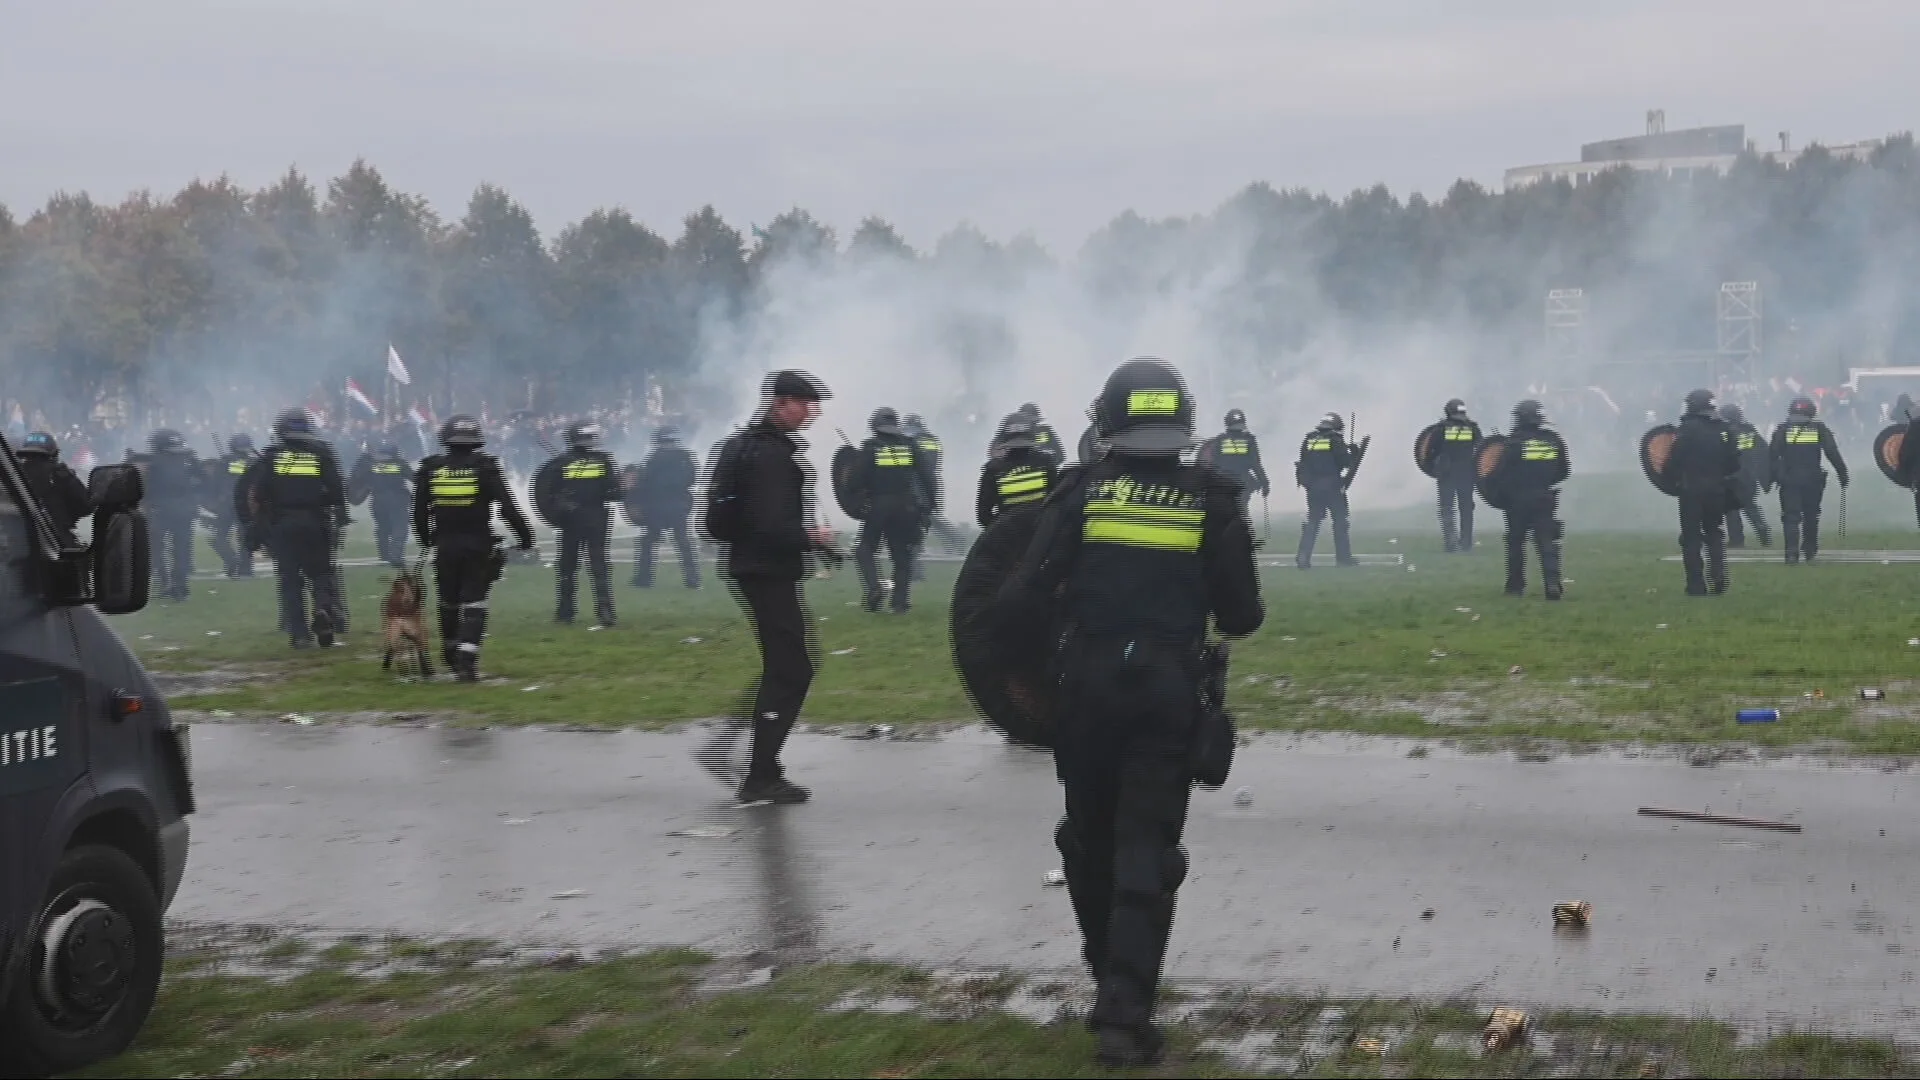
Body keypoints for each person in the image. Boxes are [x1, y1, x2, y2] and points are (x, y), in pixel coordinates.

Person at [1000, 357, 1262, 1066]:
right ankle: (1123, 1012)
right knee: (1147, 848)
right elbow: (1242, 616)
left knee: (1086, 839)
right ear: (1182, 423)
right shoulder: (1214, 498)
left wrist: (1027, 684)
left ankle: (1105, 971)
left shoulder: (1079, 491)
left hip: (1084, 692)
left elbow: (1019, 598)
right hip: (1167, 696)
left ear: (1106, 421)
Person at [706, 369, 836, 805]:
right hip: (767, 569)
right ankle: (758, 772)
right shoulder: (772, 456)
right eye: (804, 403)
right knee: (792, 669)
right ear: (780, 403)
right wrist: (812, 539)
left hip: (753, 566)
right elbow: (771, 524)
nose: (810, 412)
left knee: (788, 665)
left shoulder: (744, 446)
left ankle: (751, 758)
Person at [414, 416, 535, 681]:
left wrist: (426, 538)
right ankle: (467, 660)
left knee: (448, 601)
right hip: (478, 544)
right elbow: (507, 505)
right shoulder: (485, 467)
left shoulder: (431, 468)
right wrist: (525, 537)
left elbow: (419, 511)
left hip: (445, 544)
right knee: (475, 602)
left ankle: (450, 652)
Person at [247, 409, 349, 648]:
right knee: (321, 573)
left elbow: (259, 493)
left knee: (290, 581)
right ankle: (323, 609)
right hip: (316, 521)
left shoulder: (271, 457)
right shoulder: (321, 454)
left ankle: (300, 635)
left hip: (283, 524)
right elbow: (336, 490)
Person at [535, 421, 622, 627]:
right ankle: (606, 612)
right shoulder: (604, 461)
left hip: (570, 521)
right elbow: (614, 492)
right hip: (597, 518)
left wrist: (562, 506)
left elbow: (547, 493)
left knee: (567, 567)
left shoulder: (560, 462)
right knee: (599, 567)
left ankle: (565, 613)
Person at [852, 407, 935, 613]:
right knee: (901, 555)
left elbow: (855, 481)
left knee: (865, 549)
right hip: (907, 506)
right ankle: (899, 603)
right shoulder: (910, 445)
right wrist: (929, 507)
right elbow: (927, 478)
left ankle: (874, 588)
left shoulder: (871, 447)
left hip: (879, 506)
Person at [1490, 400, 1570, 599]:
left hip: (1517, 500)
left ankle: (1515, 586)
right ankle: (1552, 584)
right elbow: (1563, 471)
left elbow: (1498, 473)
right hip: (1544, 497)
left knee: (1516, 543)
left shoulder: (1513, 443)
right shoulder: (1553, 441)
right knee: (1547, 543)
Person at [1668, 389, 1741, 596]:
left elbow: (1675, 459)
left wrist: (1672, 480)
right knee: (1715, 533)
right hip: (1717, 489)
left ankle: (1696, 584)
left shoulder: (1687, 428)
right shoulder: (1724, 428)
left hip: (1691, 489)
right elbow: (1734, 461)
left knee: (1691, 537)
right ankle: (1718, 576)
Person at [1769, 396, 1849, 564]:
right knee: (1811, 515)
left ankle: (1791, 553)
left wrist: (1771, 478)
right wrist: (1842, 473)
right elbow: (1832, 452)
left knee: (1791, 516)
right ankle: (1810, 550)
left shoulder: (1783, 430)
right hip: (1813, 479)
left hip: (1789, 480)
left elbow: (1771, 456)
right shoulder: (1819, 429)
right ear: (1812, 412)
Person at [628, 426, 701, 589]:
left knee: (649, 542)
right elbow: (691, 479)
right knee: (683, 542)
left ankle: (644, 579)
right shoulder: (686, 457)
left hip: (657, 505)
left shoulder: (653, 459)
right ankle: (693, 579)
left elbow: (644, 483)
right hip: (679, 504)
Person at [141, 429, 202, 601]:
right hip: (185, 511)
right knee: (182, 550)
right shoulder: (189, 460)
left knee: (156, 549)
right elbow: (201, 482)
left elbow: (145, 488)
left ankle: (165, 582)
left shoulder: (152, 462)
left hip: (160, 511)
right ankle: (180, 587)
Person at [1294, 413, 1357, 568]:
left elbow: (1303, 461)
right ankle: (1343, 559)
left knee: (1313, 521)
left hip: (1313, 487)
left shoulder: (1309, 438)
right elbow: (1344, 462)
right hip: (1332, 487)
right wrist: (1354, 453)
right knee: (1340, 522)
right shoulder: (1335, 439)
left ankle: (1303, 557)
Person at [975, 416, 1058, 527]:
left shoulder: (994, 470)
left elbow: (983, 515)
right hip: (1042, 534)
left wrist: (1003, 531)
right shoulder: (1045, 462)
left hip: (1009, 536)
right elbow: (1057, 501)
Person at [1423, 399, 1482, 553]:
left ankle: (1451, 544)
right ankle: (1466, 543)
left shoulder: (1441, 429)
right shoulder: (1472, 428)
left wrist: (1433, 467)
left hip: (1446, 473)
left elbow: (1429, 451)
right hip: (1467, 473)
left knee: (1447, 508)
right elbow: (1482, 450)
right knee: (1466, 508)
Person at [350, 438, 413, 569]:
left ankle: (384, 556)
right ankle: (395, 557)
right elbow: (415, 477)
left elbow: (356, 477)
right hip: (397, 499)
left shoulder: (371, 465)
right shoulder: (399, 463)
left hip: (378, 501)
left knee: (383, 528)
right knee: (400, 528)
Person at [16, 431, 90, 541]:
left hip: (20, 539)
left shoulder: (14, 475)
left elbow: (85, 507)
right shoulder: (61, 475)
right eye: (31, 457)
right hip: (56, 540)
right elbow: (85, 508)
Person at [1196, 409, 1270, 518]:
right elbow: (1256, 464)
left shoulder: (1220, 440)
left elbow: (1214, 462)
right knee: (1242, 511)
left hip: (1223, 481)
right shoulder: (1249, 440)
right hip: (1243, 481)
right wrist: (1265, 483)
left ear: (1227, 423)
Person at [1718, 403, 1772, 547]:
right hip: (1748, 475)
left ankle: (1737, 539)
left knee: (1731, 509)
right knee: (1750, 506)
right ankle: (1762, 529)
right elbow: (1763, 450)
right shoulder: (1749, 430)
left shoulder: (1723, 432)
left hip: (1730, 475)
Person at [208, 434, 257, 577]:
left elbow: (214, 484)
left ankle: (232, 560)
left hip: (226, 505)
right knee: (245, 538)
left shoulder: (224, 462)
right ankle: (245, 570)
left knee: (219, 538)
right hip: (245, 505)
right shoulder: (253, 463)